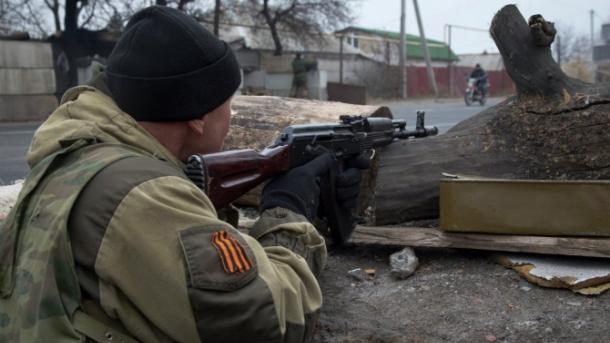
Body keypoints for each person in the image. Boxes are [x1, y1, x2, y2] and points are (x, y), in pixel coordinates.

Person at [0, 6, 365, 343]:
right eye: (229, 101)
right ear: (197, 116)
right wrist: (289, 210)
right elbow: (266, 323)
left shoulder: (76, 154)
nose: (233, 114)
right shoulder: (142, 196)